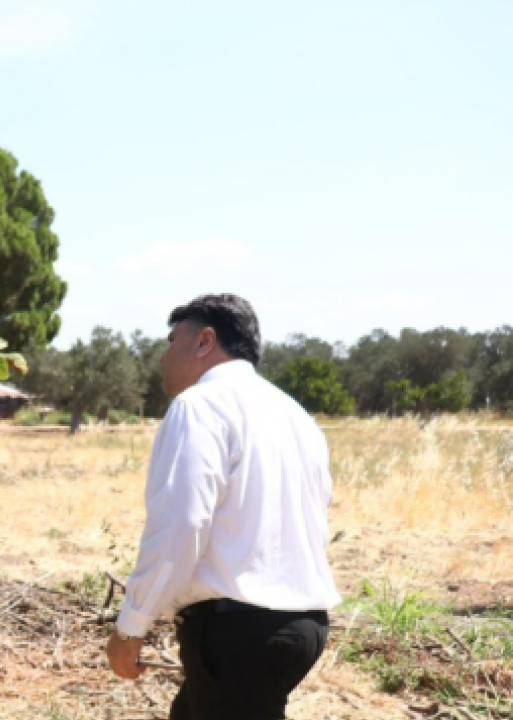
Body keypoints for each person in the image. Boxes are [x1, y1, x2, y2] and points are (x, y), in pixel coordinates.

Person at [105, 294, 341, 720]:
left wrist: (132, 627)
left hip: (238, 632)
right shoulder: (296, 415)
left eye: (173, 340)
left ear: (204, 341)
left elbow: (182, 523)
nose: (163, 358)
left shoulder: (199, 406)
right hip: (301, 626)